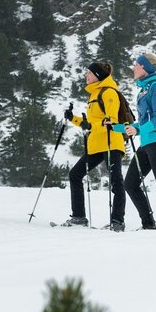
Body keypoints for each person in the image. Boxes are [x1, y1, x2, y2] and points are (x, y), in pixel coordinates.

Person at [105, 53, 156, 233]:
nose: (133, 68)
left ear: (144, 67)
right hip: (147, 142)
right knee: (130, 183)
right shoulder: (144, 89)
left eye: (136, 65)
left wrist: (138, 130)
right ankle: (148, 224)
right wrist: (116, 128)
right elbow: (143, 122)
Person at [58, 62, 127, 230]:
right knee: (75, 174)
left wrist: (91, 126)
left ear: (97, 75)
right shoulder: (94, 94)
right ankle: (79, 218)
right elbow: (93, 123)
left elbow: (110, 121)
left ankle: (117, 222)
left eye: (88, 72)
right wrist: (73, 118)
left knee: (116, 181)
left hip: (111, 142)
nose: (85, 75)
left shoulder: (109, 92)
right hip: (96, 144)